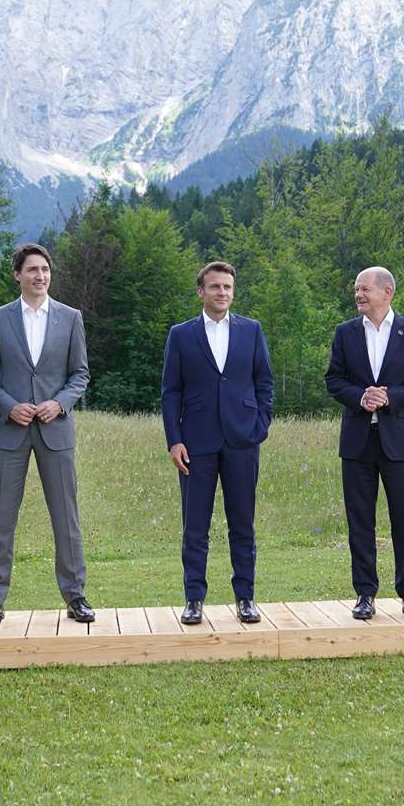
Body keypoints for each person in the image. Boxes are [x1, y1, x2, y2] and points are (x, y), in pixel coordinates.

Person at [0, 243, 93, 625]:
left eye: (45, 270)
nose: (40, 276)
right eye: (32, 270)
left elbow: (80, 374)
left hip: (56, 431)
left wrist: (59, 403)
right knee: (2, 519)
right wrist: (9, 405)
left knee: (66, 518)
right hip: (10, 432)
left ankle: (75, 596)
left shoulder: (70, 318)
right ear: (17, 275)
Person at [161, 261, 274, 625]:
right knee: (195, 526)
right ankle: (194, 599)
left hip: (243, 440)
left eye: (227, 287)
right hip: (196, 443)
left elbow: (264, 383)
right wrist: (174, 440)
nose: (222, 292)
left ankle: (246, 597)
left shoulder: (252, 330)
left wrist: (260, 426)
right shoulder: (181, 334)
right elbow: (170, 392)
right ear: (201, 291)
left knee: (243, 524)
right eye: (215, 287)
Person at [325, 267, 404, 619]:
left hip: (399, 441)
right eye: (356, 289)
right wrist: (361, 396)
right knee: (360, 521)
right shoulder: (345, 333)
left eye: (365, 289)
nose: (358, 294)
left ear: (387, 292)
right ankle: (365, 593)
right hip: (357, 442)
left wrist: (390, 397)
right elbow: (334, 380)